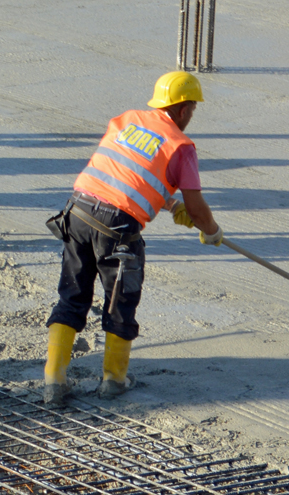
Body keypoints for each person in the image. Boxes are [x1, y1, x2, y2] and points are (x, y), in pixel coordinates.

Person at [41, 71, 224, 405]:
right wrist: (211, 231)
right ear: (184, 109)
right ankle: (113, 380)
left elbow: (126, 172)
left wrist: (170, 203)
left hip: (77, 211)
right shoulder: (180, 146)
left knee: (72, 297)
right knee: (120, 301)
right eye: (193, 109)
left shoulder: (127, 120)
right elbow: (198, 208)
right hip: (117, 228)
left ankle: (54, 382)